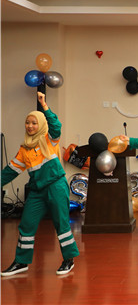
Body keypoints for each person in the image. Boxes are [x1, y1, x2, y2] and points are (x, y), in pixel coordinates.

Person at [1, 92, 79, 276]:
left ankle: (68, 259)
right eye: (28, 123)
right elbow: (9, 172)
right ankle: (21, 262)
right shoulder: (24, 149)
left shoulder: (49, 139)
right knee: (26, 224)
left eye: (34, 123)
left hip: (56, 186)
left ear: (41, 125)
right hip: (37, 191)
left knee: (61, 224)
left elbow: (56, 125)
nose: (30, 126)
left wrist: (44, 105)